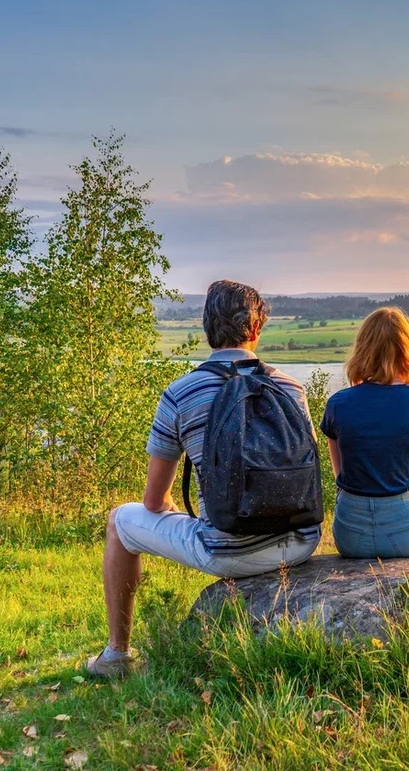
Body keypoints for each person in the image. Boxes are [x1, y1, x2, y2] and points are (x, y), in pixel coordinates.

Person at [87, 280, 320, 678]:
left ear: (207, 326)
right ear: (257, 327)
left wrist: (174, 511)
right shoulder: (291, 388)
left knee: (119, 521)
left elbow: (154, 502)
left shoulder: (182, 393)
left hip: (228, 551)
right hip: (301, 543)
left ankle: (116, 656)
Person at [321, 307, 409, 561]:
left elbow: (342, 476)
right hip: (408, 532)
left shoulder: (337, 405)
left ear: (363, 349)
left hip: (351, 535)